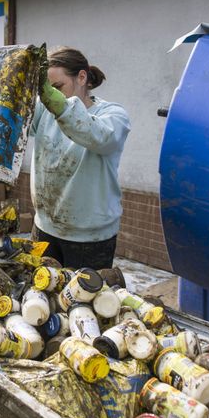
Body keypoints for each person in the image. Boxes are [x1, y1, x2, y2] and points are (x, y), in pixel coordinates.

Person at [30, 47, 131, 270]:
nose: (50, 95)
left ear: (82, 77)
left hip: (90, 240)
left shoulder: (113, 116)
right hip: (44, 228)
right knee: (38, 299)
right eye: (46, 90)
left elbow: (99, 136)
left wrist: (58, 106)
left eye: (57, 88)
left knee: (81, 303)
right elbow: (14, 120)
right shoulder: (44, 110)